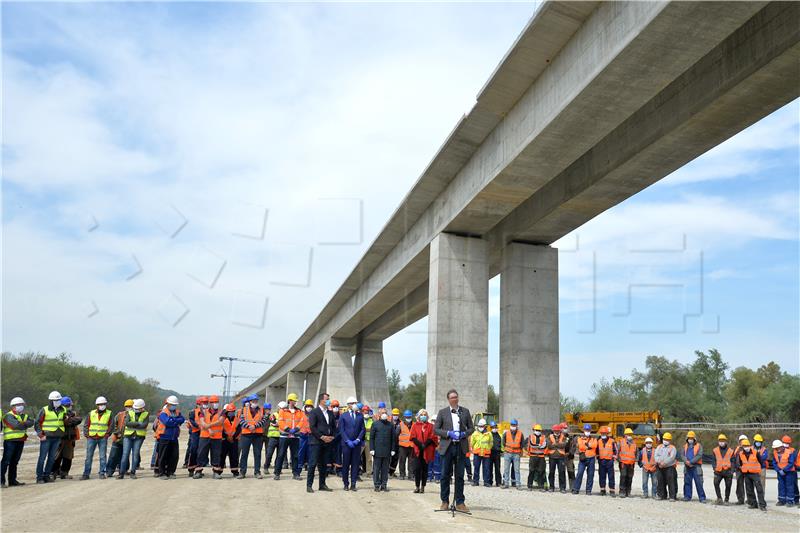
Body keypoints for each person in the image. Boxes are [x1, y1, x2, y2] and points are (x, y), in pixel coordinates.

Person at [434, 389, 474, 512]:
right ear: (448, 399)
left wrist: (463, 434)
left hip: (460, 447)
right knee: (445, 475)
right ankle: (444, 501)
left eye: (456, 397)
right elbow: (436, 429)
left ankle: (460, 502)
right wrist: (448, 433)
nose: (454, 399)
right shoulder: (442, 412)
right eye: (452, 397)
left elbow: (471, 428)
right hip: (447, 447)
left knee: (460, 475)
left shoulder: (464, 412)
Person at [34, 391, 67, 483]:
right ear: (51, 401)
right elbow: (37, 423)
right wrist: (41, 435)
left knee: (52, 458)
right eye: (55, 400)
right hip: (46, 437)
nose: (58, 401)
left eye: (59, 400)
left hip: (57, 437)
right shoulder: (44, 410)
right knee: (42, 458)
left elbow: (64, 420)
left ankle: (46, 475)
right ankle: (39, 477)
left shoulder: (63, 409)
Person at [2, 397, 34, 487]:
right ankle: (1, 481)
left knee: (14, 462)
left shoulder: (24, 415)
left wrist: (22, 424)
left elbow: (32, 422)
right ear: (13, 406)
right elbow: (16, 425)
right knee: (6, 461)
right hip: (10, 441)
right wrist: (24, 424)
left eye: (22, 405)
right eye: (19, 405)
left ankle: (12, 481)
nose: (21, 406)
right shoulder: (8, 416)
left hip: (20, 440)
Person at [306, 393, 335, 493]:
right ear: (321, 400)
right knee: (313, 464)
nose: (328, 401)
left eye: (329, 399)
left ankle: (322, 484)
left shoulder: (330, 413)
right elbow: (312, 427)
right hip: (316, 441)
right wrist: (322, 437)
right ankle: (309, 485)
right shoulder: (314, 412)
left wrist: (332, 437)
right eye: (327, 399)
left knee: (323, 465)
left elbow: (333, 427)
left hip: (327, 442)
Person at [50, 395, 82, 480]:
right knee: (57, 456)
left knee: (68, 457)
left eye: (69, 405)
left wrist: (69, 420)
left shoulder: (73, 413)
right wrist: (69, 420)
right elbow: (64, 422)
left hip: (70, 439)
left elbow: (79, 419)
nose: (69, 407)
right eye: (67, 405)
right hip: (60, 438)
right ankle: (53, 472)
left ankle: (64, 473)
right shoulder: (58, 413)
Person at [275, 393, 305, 480]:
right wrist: (288, 430)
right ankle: (277, 473)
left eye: (295, 401)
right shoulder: (283, 411)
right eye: (294, 401)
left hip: (295, 436)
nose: (295, 402)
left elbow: (302, 421)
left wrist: (295, 429)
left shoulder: (299, 411)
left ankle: (295, 474)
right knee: (281, 455)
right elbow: (280, 422)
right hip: (285, 436)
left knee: (295, 456)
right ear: (290, 401)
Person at [82, 396, 112, 480]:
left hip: (102, 438)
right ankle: (86, 474)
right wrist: (87, 435)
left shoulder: (109, 413)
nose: (102, 405)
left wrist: (107, 435)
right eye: (101, 404)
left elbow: (111, 425)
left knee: (102, 456)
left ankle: (102, 473)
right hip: (91, 437)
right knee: (89, 457)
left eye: (104, 404)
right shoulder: (91, 413)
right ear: (97, 405)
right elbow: (86, 424)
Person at [339, 396, 365, 491]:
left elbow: (363, 429)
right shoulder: (343, 415)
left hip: (356, 444)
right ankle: (346, 483)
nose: (355, 405)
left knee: (355, 464)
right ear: (348, 405)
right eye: (353, 403)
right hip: (346, 444)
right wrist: (347, 440)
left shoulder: (360, 415)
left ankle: (353, 483)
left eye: (355, 403)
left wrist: (358, 440)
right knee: (345, 464)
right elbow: (341, 430)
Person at [195, 394, 224, 479]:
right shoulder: (203, 411)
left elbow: (220, 421)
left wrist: (209, 425)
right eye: (214, 402)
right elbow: (202, 422)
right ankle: (198, 471)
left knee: (216, 455)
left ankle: (216, 472)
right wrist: (208, 429)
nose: (216, 404)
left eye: (217, 402)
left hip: (217, 437)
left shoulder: (221, 412)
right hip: (204, 436)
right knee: (201, 453)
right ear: (210, 403)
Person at [156, 396, 185, 479]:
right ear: (168, 404)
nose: (174, 406)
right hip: (164, 437)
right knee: (163, 456)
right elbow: (167, 422)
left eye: (175, 404)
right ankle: (162, 473)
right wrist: (176, 420)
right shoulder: (163, 413)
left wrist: (173, 420)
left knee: (174, 456)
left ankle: (171, 472)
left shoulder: (177, 412)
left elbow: (182, 419)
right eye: (172, 404)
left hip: (174, 437)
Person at [119, 399, 148, 479]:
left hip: (139, 437)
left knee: (135, 455)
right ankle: (121, 473)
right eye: (135, 408)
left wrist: (133, 424)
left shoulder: (146, 414)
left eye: (138, 409)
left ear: (142, 408)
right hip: (128, 436)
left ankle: (133, 472)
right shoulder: (130, 412)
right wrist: (138, 423)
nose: (136, 410)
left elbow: (144, 425)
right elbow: (127, 423)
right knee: (125, 455)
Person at [370, 404, 397, 492]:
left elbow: (393, 438)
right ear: (379, 414)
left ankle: (384, 485)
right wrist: (372, 449)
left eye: (385, 413)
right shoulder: (375, 424)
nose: (384, 414)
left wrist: (393, 449)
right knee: (377, 469)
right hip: (377, 451)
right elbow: (372, 438)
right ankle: (377, 485)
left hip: (387, 451)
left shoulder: (390, 425)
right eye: (382, 413)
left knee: (385, 470)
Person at [410, 409, 437, 493]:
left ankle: (423, 487)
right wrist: (420, 444)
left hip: (426, 450)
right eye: (421, 414)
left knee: (425, 469)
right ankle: (417, 486)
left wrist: (425, 444)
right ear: (419, 416)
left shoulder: (430, 426)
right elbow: (413, 437)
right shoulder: (415, 425)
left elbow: (432, 437)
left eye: (425, 414)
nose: (423, 416)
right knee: (417, 469)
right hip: (417, 450)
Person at [238, 394, 265, 479]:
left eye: (256, 401)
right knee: (244, 454)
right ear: (250, 402)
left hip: (258, 434)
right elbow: (241, 420)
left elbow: (264, 420)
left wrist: (255, 426)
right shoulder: (243, 410)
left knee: (257, 454)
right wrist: (249, 426)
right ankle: (242, 472)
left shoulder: (261, 410)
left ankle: (257, 472)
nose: (255, 402)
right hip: (246, 434)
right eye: (253, 401)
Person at [737, 438, 766, 511]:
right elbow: (740, 463)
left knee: (759, 489)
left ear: (750, 445)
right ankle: (753, 504)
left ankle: (762, 505)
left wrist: (759, 470)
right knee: (749, 490)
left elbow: (761, 461)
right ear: (742, 446)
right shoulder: (740, 454)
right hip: (746, 474)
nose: (746, 447)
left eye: (747, 445)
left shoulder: (755, 452)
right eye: (744, 446)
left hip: (755, 474)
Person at [105, 399, 133, 477]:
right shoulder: (120, 415)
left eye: (130, 406)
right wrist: (115, 434)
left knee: (125, 455)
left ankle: (124, 469)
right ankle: (109, 471)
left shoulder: (134, 416)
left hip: (128, 438)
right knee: (113, 455)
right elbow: (114, 424)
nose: (129, 408)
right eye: (127, 406)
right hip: (118, 438)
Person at [572, 423, 597, 495]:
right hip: (583, 459)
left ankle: (588, 490)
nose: (587, 431)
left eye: (588, 430)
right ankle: (576, 489)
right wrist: (589, 446)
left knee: (590, 475)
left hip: (591, 458)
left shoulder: (594, 439)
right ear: (583, 430)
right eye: (586, 430)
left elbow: (594, 445)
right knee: (579, 473)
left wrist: (587, 446)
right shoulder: (579, 438)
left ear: (590, 430)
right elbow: (581, 446)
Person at [683, 430, 706, 502]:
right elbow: (682, 455)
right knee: (687, 482)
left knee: (699, 482)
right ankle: (687, 496)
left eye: (691, 438)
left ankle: (702, 498)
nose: (690, 439)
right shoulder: (684, 446)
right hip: (687, 466)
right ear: (687, 438)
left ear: (694, 438)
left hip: (696, 466)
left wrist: (691, 462)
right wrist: (686, 461)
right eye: (689, 438)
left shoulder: (699, 446)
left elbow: (699, 455)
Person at [772, 437, 796, 507]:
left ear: (781, 446)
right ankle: (781, 500)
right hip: (780, 472)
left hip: (789, 472)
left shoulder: (789, 452)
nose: (777, 449)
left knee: (789, 486)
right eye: (775, 448)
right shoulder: (775, 453)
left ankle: (790, 501)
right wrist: (778, 470)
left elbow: (791, 463)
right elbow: (774, 463)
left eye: (778, 448)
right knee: (781, 486)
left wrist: (784, 470)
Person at [186, 396, 206, 477]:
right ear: (198, 404)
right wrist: (198, 426)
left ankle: (199, 470)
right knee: (193, 450)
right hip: (195, 433)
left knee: (201, 452)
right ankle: (191, 469)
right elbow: (191, 421)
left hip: (204, 433)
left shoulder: (207, 412)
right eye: (203, 403)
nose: (204, 405)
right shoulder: (193, 412)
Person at [655, 432, 678, 501]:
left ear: (670, 440)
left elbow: (671, 458)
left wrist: (664, 463)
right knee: (660, 481)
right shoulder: (659, 447)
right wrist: (659, 463)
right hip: (659, 467)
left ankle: (672, 496)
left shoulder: (672, 448)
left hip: (669, 467)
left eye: (667, 439)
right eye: (664, 439)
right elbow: (656, 456)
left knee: (671, 482)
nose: (666, 440)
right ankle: (661, 495)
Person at [502, 419, 524, 490]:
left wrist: (520, 451)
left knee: (517, 470)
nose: (513, 426)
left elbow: (522, 443)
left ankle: (518, 484)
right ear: (510, 425)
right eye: (512, 425)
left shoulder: (520, 434)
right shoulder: (506, 433)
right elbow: (504, 442)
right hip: (507, 453)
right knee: (506, 469)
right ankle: (506, 484)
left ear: (517, 426)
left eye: (514, 425)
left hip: (516, 454)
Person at [712, 434, 734, 504]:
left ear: (726, 441)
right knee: (716, 483)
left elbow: (733, 461)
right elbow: (713, 460)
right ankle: (719, 498)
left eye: (723, 441)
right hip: (718, 471)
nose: (721, 442)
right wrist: (714, 468)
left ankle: (726, 500)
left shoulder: (731, 451)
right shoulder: (715, 450)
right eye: (720, 441)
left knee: (728, 486)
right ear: (718, 442)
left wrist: (732, 471)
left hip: (728, 471)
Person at [469, 418, 492, 487]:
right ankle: (475, 481)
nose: (480, 427)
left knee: (486, 468)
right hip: (477, 454)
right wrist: (474, 449)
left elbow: (491, 443)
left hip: (486, 453)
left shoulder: (489, 434)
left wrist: (487, 448)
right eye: (479, 426)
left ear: (485, 426)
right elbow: (472, 443)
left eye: (482, 426)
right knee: (476, 468)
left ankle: (486, 482)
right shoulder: (475, 433)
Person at [220, 403, 240, 478]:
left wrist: (233, 437)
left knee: (234, 456)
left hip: (234, 441)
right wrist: (227, 436)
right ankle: (219, 471)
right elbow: (220, 429)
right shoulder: (222, 419)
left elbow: (239, 430)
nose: (231, 413)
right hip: (224, 440)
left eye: (233, 411)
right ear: (227, 412)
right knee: (222, 456)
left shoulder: (237, 420)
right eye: (230, 411)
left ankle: (235, 472)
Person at [547, 423, 568, 493]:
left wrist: (555, 444)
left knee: (562, 472)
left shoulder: (563, 436)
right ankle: (551, 487)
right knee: (551, 472)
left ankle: (562, 488)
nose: (556, 432)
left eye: (558, 431)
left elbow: (564, 445)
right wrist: (559, 445)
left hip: (561, 457)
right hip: (552, 457)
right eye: (555, 431)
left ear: (560, 431)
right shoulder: (549, 437)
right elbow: (549, 445)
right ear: (553, 431)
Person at [596, 425, 617, 496]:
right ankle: (602, 490)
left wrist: (613, 459)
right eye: (602, 433)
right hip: (601, 461)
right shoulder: (598, 441)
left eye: (604, 433)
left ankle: (612, 490)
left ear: (607, 434)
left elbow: (615, 450)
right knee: (602, 476)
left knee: (611, 476)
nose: (603, 435)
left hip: (609, 461)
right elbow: (596, 451)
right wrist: (598, 458)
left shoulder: (612, 441)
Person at [526, 423, 547, 491]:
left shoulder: (543, 437)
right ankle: (530, 485)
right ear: (533, 430)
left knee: (541, 471)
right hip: (533, 456)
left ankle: (541, 486)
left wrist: (537, 446)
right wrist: (539, 446)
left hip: (541, 457)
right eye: (536, 430)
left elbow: (545, 445)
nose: (537, 431)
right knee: (531, 470)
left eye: (539, 430)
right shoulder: (531, 436)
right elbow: (532, 445)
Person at [617, 428, 637, 498]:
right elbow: (617, 451)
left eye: (631, 434)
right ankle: (622, 491)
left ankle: (628, 492)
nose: (630, 436)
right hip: (623, 463)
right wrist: (619, 460)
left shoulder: (634, 443)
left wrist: (635, 460)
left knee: (630, 477)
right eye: (628, 434)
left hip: (631, 464)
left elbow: (636, 453)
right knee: (623, 476)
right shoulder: (621, 442)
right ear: (625, 435)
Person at [395, 409, 414, 480]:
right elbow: (396, 435)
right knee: (402, 461)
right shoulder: (400, 425)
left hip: (411, 446)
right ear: (404, 417)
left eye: (409, 417)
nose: (408, 418)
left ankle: (411, 475)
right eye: (407, 417)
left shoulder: (414, 425)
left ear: (411, 417)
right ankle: (402, 474)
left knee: (411, 462)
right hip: (402, 446)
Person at [263, 401, 280, 475]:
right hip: (261, 435)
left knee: (269, 452)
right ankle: (265, 466)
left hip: (269, 436)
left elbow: (274, 422)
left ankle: (274, 467)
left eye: (269, 409)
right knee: (268, 453)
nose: (268, 410)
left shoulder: (271, 416)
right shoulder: (260, 416)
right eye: (266, 409)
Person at [298, 399, 314, 471]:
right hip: (302, 435)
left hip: (311, 434)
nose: (309, 407)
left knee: (310, 451)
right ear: (305, 407)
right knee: (301, 451)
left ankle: (308, 465)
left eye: (310, 406)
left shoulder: (314, 414)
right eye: (307, 406)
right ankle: (299, 465)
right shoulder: (301, 414)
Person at [732, 434, 748, 505]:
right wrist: (733, 469)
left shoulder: (749, 448)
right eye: (741, 440)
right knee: (739, 485)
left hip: (747, 470)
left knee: (749, 485)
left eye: (744, 440)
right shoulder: (736, 449)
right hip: (738, 470)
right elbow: (733, 459)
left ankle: (749, 499)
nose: (742, 442)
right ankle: (740, 500)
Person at [388, 407, 401, 477]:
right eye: (394, 414)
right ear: (392, 415)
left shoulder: (401, 423)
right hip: (389, 443)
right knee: (388, 457)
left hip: (397, 443)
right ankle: (387, 471)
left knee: (395, 458)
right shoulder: (388, 422)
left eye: (396, 414)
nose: (395, 416)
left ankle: (392, 471)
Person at [489, 421, 502, 487]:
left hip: (497, 453)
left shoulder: (499, 435)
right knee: (490, 468)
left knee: (497, 468)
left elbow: (502, 444)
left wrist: (501, 451)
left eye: (495, 427)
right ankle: (489, 481)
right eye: (493, 427)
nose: (494, 428)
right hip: (490, 453)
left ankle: (498, 482)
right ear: (491, 428)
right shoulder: (488, 435)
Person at [361, 405, 374, 476]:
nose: (366, 413)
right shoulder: (359, 419)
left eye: (367, 411)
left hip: (368, 441)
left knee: (369, 458)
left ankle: (369, 472)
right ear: (362, 412)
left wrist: (366, 430)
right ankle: (355, 471)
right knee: (356, 456)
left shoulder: (371, 421)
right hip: (361, 440)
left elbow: (373, 430)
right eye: (364, 411)